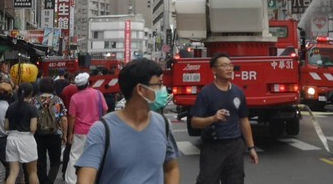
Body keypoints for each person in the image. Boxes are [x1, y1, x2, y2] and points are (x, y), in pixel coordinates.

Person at [76, 58, 179, 184]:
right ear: (141, 90)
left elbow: (171, 168)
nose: (163, 90)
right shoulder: (102, 130)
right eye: (159, 84)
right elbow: (86, 178)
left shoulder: (164, 125)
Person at [191, 52, 258, 184]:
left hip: (235, 147)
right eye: (224, 65)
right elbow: (194, 122)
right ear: (214, 70)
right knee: (207, 181)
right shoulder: (206, 93)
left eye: (230, 65)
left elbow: (243, 120)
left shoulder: (238, 92)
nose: (228, 68)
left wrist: (251, 147)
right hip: (213, 146)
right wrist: (213, 119)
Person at [65, 73, 107, 184]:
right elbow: (105, 109)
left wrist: (70, 133)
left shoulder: (75, 98)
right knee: (96, 156)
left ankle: (71, 180)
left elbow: (72, 117)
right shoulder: (98, 94)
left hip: (80, 131)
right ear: (88, 83)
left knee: (75, 155)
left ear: (77, 86)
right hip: (96, 130)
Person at [33, 77, 67, 184]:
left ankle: (43, 182)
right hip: (55, 134)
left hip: (38, 135)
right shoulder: (57, 100)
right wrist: (65, 134)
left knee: (40, 162)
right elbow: (64, 119)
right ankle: (49, 181)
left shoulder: (34, 100)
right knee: (55, 162)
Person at [4, 82, 38, 184]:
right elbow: (33, 128)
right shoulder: (32, 108)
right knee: (32, 172)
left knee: (13, 173)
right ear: (31, 93)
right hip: (26, 139)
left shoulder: (11, 106)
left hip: (12, 139)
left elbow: (5, 126)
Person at [60, 75, 78, 177]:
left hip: (67, 120)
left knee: (68, 147)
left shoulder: (65, 90)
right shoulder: (82, 91)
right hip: (80, 124)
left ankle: (64, 170)